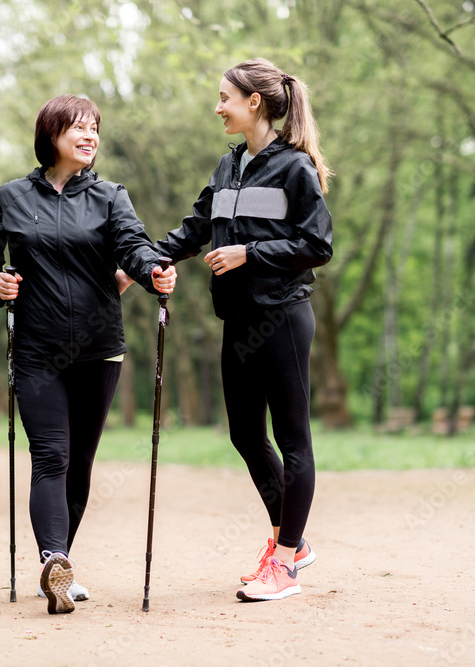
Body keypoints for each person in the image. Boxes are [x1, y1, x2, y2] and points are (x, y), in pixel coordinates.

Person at [0, 94, 176, 615]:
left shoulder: (110, 196)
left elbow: (133, 245)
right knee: (51, 456)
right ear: (51, 135)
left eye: (94, 128)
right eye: (78, 127)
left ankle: (58, 569)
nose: (89, 136)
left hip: (100, 351)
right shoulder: (11, 197)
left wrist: (152, 270)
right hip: (37, 350)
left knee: (78, 464)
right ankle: (53, 556)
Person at [152, 58, 333, 601]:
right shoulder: (228, 167)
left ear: (254, 101)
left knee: (293, 439)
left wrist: (249, 253)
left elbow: (318, 245)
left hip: (283, 316)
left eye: (225, 97)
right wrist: (136, 265)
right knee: (244, 435)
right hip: (238, 320)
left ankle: (284, 563)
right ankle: (292, 542)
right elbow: (196, 227)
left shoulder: (295, 168)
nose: (218, 107)